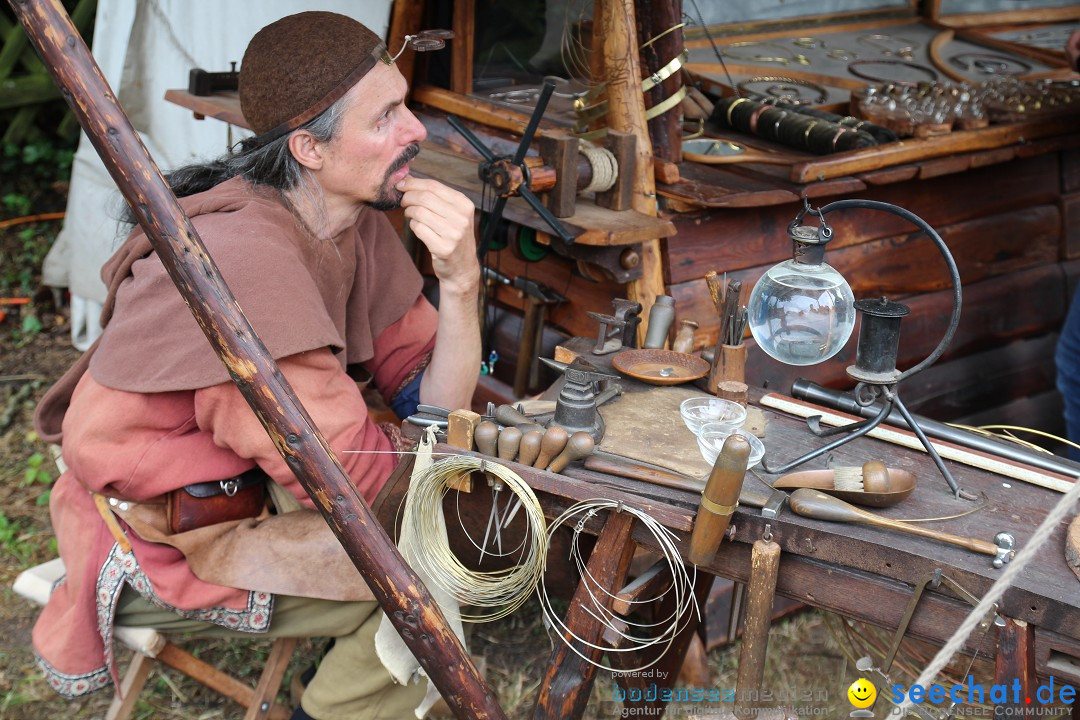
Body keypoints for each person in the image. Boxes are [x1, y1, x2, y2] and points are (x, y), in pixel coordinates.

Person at [30, 11, 480, 720]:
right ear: (309, 148)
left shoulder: (350, 218)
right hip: (166, 535)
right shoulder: (248, 266)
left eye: (406, 107)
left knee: (434, 541)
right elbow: (362, 497)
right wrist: (438, 462)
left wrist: (461, 288)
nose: (415, 131)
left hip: (253, 487)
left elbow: (432, 398)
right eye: (386, 116)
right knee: (422, 591)